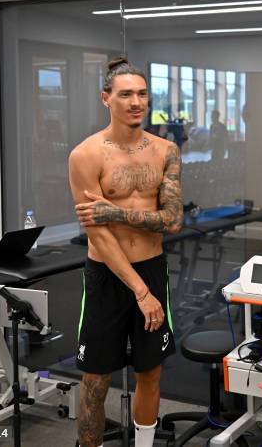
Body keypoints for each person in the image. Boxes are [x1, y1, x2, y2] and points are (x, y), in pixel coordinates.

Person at [68, 57, 183, 447]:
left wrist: (116, 211)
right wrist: (140, 292)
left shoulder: (166, 151)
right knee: (96, 379)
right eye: (125, 94)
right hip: (108, 279)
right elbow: (99, 235)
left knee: (150, 372)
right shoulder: (86, 155)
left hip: (152, 267)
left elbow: (172, 221)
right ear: (106, 98)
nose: (136, 102)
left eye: (142, 93)